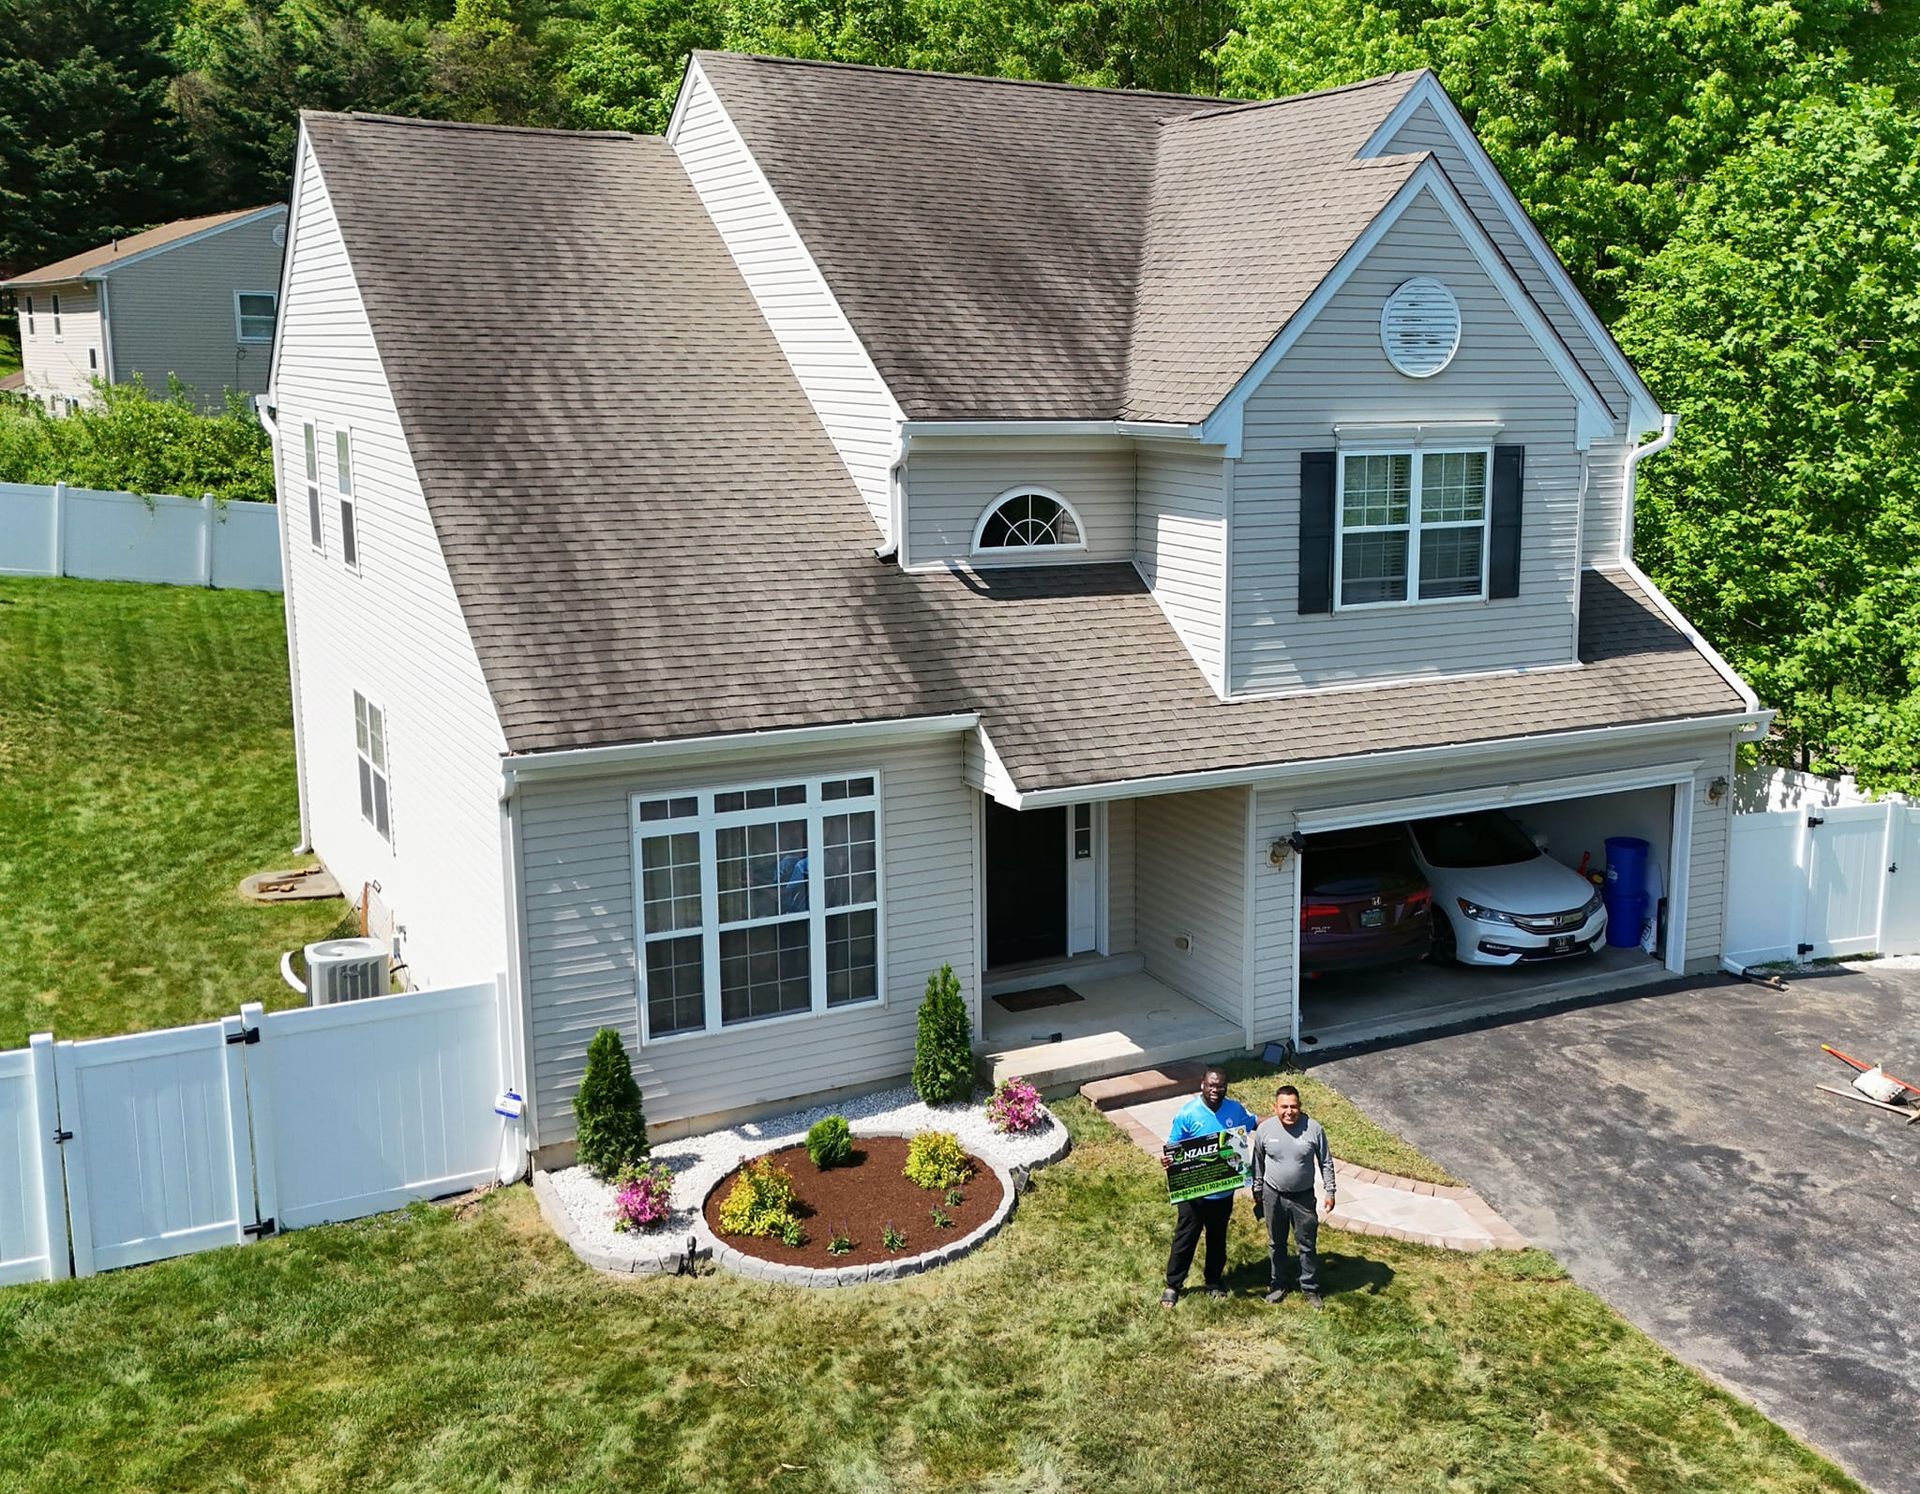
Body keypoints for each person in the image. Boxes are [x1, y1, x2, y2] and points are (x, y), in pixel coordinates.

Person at [1160, 1066, 1258, 1306]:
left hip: (1223, 1193)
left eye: (1220, 1086)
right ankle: (1173, 1285)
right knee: (1185, 1238)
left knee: (1217, 1239)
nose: (1215, 1090)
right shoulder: (1188, 1113)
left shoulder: (1234, 1110)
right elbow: (1173, 1146)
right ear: (1202, 1085)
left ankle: (1213, 1281)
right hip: (1193, 1195)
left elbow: (1254, 1122)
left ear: (1226, 1087)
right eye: (1211, 1085)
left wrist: (1282, 1118)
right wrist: (1168, 1160)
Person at [1249, 1084, 1336, 1308]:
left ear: (1300, 1106)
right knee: (1276, 1242)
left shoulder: (1314, 1129)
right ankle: (1278, 1284)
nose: (1289, 1111)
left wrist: (1330, 1191)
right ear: (1275, 1107)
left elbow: (1326, 1161)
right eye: (1284, 1106)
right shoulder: (1265, 1130)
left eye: (1294, 1106)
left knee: (1306, 1244)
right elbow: (1257, 1161)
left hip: (1303, 1197)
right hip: (1273, 1195)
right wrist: (1257, 1190)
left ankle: (1309, 1287)